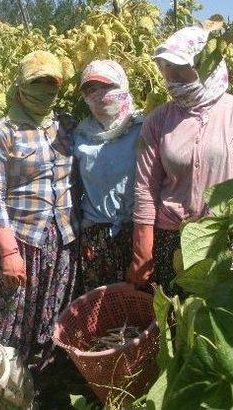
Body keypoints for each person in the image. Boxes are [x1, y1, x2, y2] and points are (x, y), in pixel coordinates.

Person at [0, 50, 78, 399]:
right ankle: (1, 392)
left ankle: (39, 391)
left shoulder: (66, 125)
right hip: (21, 242)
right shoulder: (2, 132)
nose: (45, 90)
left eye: (52, 83)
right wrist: (8, 252)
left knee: (50, 321)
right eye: (37, 83)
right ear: (20, 88)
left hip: (62, 240)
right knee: (10, 323)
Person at [128, 26, 233, 293]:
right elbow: (145, 186)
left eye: (181, 68)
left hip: (223, 237)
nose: (172, 77)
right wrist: (143, 246)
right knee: (176, 320)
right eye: (167, 68)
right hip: (170, 238)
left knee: (217, 321)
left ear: (205, 66)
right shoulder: (158, 120)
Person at [73, 60, 143, 291]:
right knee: (101, 307)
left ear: (122, 85)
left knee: (139, 303)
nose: (99, 95)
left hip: (139, 231)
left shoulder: (143, 127)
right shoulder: (81, 135)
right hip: (96, 234)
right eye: (90, 89)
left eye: (106, 86)